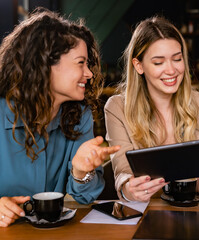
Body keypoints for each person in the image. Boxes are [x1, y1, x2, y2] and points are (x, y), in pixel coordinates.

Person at [0, 8, 120, 227]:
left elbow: (86, 197)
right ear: (45, 65)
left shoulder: (79, 116)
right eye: (80, 62)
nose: (89, 73)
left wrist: (81, 172)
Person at [104, 16, 199, 202]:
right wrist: (128, 189)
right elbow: (123, 175)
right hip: (146, 216)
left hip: (194, 216)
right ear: (139, 66)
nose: (171, 70)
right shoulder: (117, 108)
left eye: (177, 59)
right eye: (158, 62)